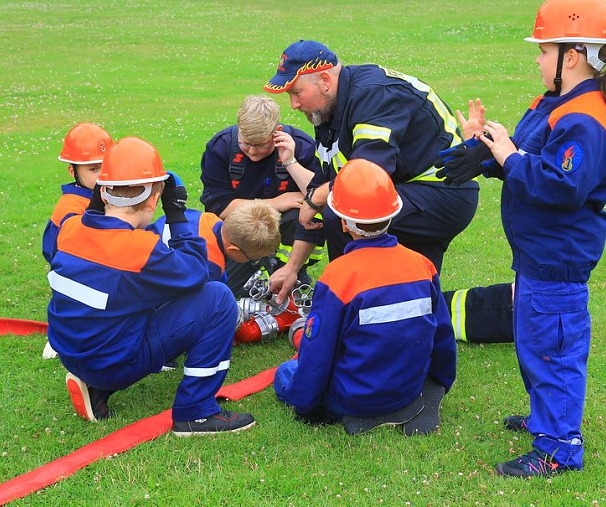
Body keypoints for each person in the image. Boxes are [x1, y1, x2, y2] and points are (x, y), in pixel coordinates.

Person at [446, 0, 606, 477]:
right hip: (535, 254)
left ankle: (559, 448)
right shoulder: (554, 102)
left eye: (543, 50)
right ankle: (544, 419)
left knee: (554, 350)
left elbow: (561, 184)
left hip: (559, 256)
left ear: (571, 57)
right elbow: (529, 154)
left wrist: (509, 157)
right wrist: (487, 151)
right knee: (534, 342)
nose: (537, 58)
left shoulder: (586, 119)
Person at [47, 137, 255, 436]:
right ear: (152, 200)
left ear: (103, 192)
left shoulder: (71, 228)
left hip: (72, 353)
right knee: (219, 298)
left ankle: (96, 387)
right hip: (110, 363)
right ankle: (196, 413)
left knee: (137, 297)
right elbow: (200, 274)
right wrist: (178, 216)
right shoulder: (142, 250)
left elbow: (102, 233)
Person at [262, 39, 483, 306]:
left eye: (296, 92)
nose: (293, 104)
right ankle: (405, 312)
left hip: (443, 193)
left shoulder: (374, 95)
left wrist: (315, 200)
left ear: (324, 80)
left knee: (346, 210)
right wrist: (293, 268)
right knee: (416, 293)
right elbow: (321, 187)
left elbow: (366, 175)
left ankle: (345, 303)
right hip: (410, 188)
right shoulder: (329, 109)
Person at [273, 159, 457, 436]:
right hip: (409, 387)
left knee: (286, 373)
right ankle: (412, 400)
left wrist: (306, 405)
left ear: (344, 223)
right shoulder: (423, 265)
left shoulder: (338, 276)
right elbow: (442, 334)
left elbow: (318, 353)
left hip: (353, 396)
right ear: (393, 213)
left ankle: (361, 410)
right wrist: (440, 380)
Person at [200, 94, 321, 297]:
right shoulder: (221, 147)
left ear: (277, 132)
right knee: (226, 293)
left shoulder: (302, 147)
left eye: (261, 145)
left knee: (301, 212)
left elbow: (318, 196)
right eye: (246, 144)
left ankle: (293, 274)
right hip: (241, 233)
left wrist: (290, 161)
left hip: (288, 236)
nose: (253, 152)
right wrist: (274, 203)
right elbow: (218, 208)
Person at [149, 200, 282, 289]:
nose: (255, 261)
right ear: (234, 250)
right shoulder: (211, 266)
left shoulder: (206, 218)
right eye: (252, 259)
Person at [42, 122, 113, 263]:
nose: (102, 175)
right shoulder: (71, 208)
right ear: (72, 171)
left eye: (106, 167)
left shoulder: (101, 194)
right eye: (93, 169)